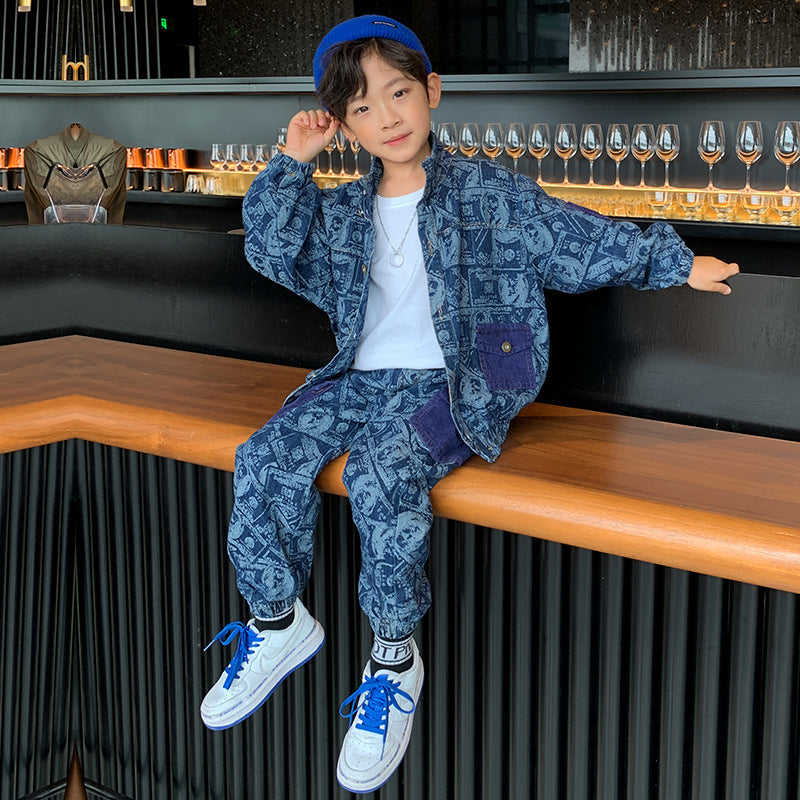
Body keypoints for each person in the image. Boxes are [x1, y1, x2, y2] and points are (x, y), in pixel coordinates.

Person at [201, 14, 739, 793]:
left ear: (433, 91)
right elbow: (270, 250)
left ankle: (394, 659)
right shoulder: (342, 211)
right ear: (344, 124)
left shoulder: (491, 193)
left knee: (381, 472)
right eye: (361, 107)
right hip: (360, 379)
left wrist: (675, 264)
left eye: (398, 93)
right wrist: (292, 162)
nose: (387, 117)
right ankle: (278, 621)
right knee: (263, 455)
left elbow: (576, 239)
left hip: (458, 384)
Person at [23, 122, 126, 224]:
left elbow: (102, 199)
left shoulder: (113, 150)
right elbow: (47, 197)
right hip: (49, 229)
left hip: (102, 230)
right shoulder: (37, 150)